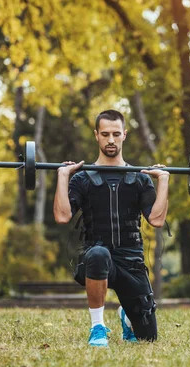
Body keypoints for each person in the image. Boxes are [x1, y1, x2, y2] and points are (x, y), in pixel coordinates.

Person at [53, 109, 170, 347]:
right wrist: (63, 176)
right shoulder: (82, 178)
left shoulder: (140, 179)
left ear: (124, 135)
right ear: (96, 135)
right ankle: (97, 327)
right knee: (98, 253)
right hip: (96, 257)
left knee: (147, 337)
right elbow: (62, 216)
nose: (110, 140)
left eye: (116, 134)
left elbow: (156, 220)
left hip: (131, 261)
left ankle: (127, 315)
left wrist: (164, 180)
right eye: (105, 134)